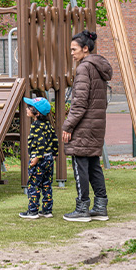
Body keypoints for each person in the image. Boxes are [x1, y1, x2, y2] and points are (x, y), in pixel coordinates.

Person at [62, 30, 112, 222]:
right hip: (96, 124)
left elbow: (79, 103)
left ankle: (82, 208)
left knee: (80, 164)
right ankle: (100, 207)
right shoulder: (99, 67)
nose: (72, 53)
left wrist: (68, 126)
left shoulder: (84, 68)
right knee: (93, 165)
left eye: (74, 49)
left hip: (83, 125)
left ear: (85, 48)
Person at [19, 96, 59, 219]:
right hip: (49, 159)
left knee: (33, 185)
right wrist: (54, 154)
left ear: (36, 112)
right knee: (46, 184)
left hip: (39, 159)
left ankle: (33, 211)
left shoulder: (36, 126)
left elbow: (40, 144)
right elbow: (54, 140)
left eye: (29, 107)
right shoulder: (48, 125)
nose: (26, 109)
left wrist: (36, 158)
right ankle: (47, 210)